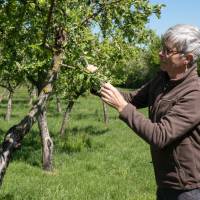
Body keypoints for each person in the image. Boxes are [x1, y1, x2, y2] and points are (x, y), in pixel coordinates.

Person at [99, 24, 200, 200]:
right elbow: (131, 98)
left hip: (188, 189)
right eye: (162, 48)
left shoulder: (195, 94)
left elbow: (159, 136)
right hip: (166, 182)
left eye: (168, 51)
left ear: (187, 58)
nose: (160, 53)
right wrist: (95, 81)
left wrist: (122, 108)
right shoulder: (161, 79)